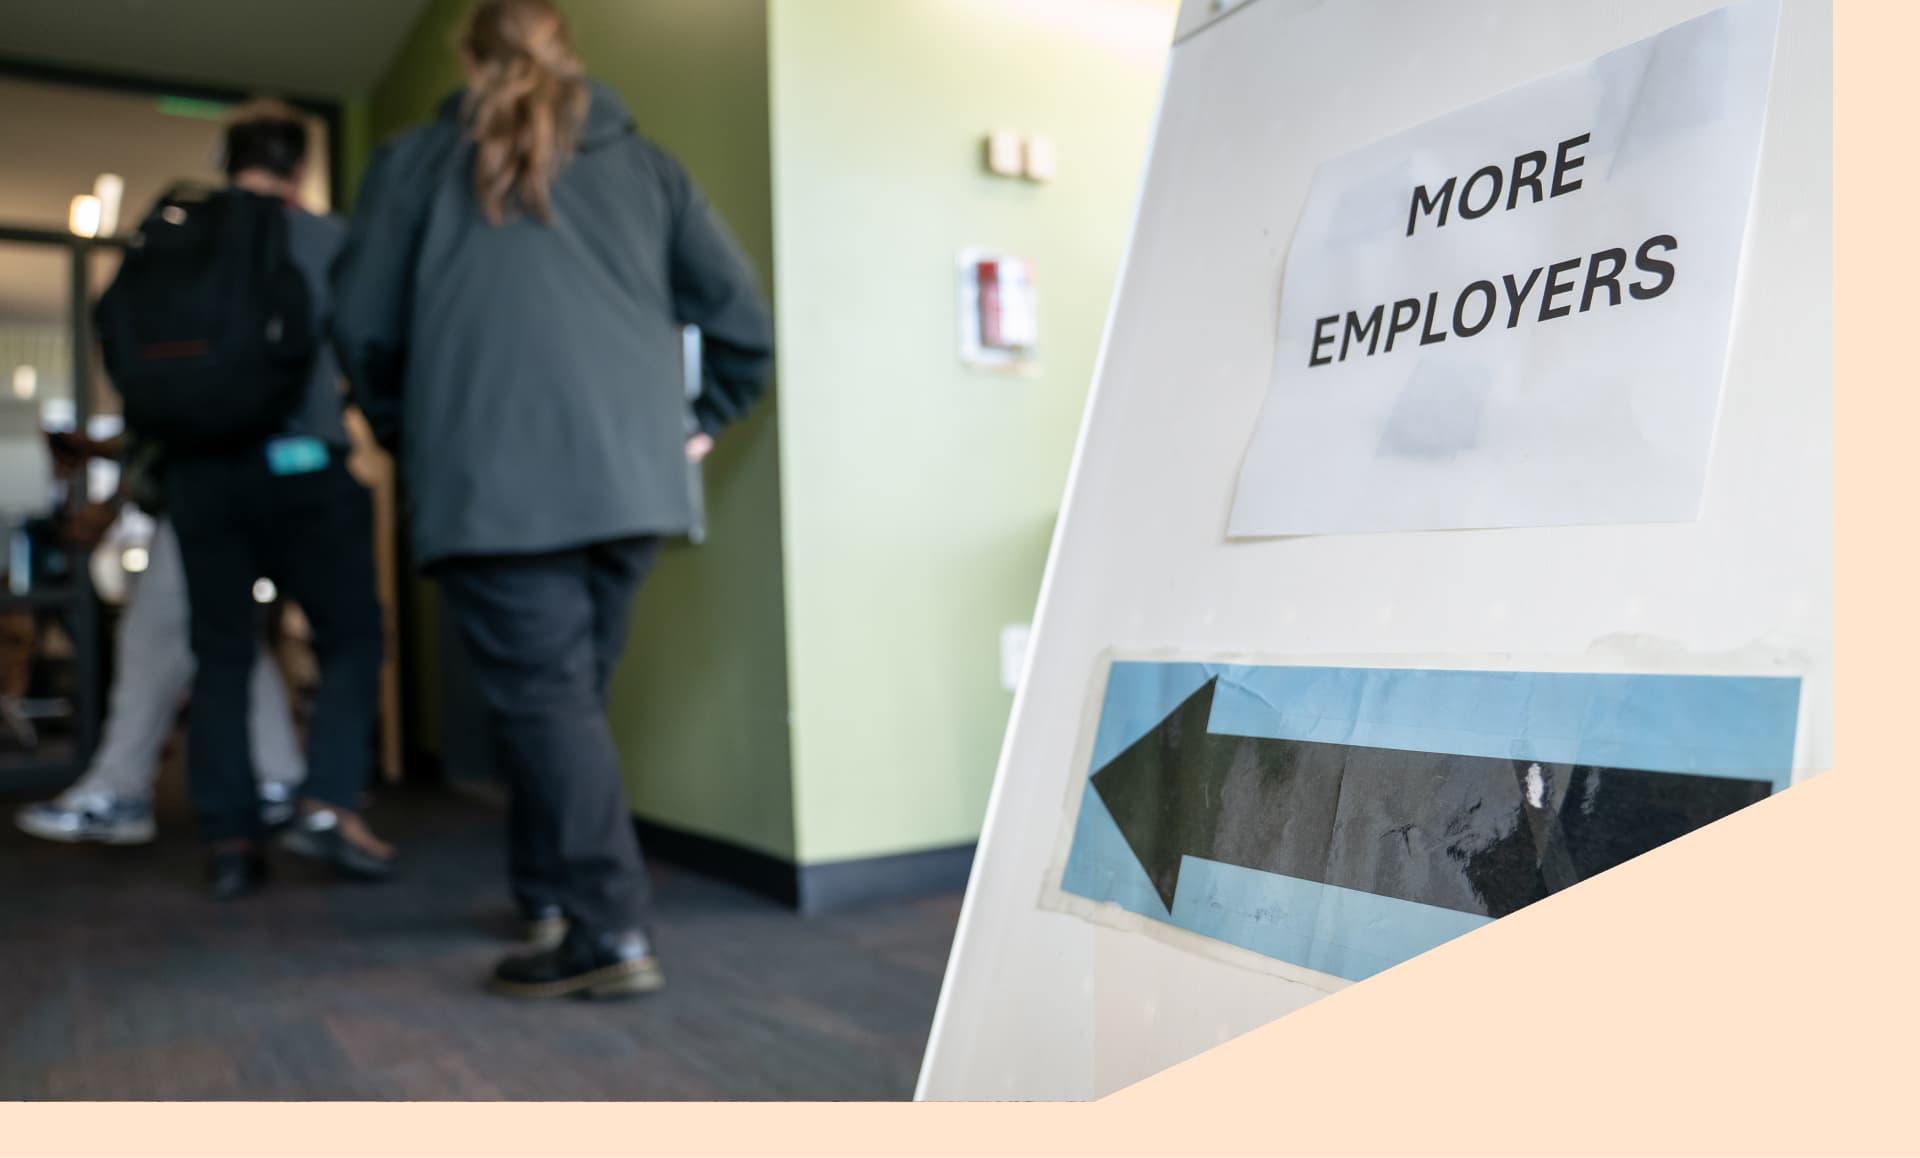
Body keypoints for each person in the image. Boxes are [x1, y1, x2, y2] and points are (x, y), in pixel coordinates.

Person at [331, 0, 773, 999]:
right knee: (560, 704)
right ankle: (546, 893)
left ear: (466, 57)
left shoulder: (411, 162)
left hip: (493, 485)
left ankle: (611, 930)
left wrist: (418, 434)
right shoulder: (645, 165)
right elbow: (743, 324)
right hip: (631, 484)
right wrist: (696, 420)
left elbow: (359, 331)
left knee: (548, 706)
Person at [162, 104, 392, 899]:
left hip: (199, 477)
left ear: (229, 161)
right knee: (352, 637)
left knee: (222, 658)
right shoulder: (326, 239)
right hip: (301, 467)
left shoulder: (178, 237)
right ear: (298, 168)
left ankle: (230, 843)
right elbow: (367, 345)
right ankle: (327, 803)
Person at [14, 430, 304, 845]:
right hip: (235, 490)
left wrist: (113, 501)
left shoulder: (176, 375)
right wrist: (103, 451)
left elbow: (171, 428)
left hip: (205, 495)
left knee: (154, 639)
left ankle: (120, 792)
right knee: (224, 639)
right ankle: (280, 778)